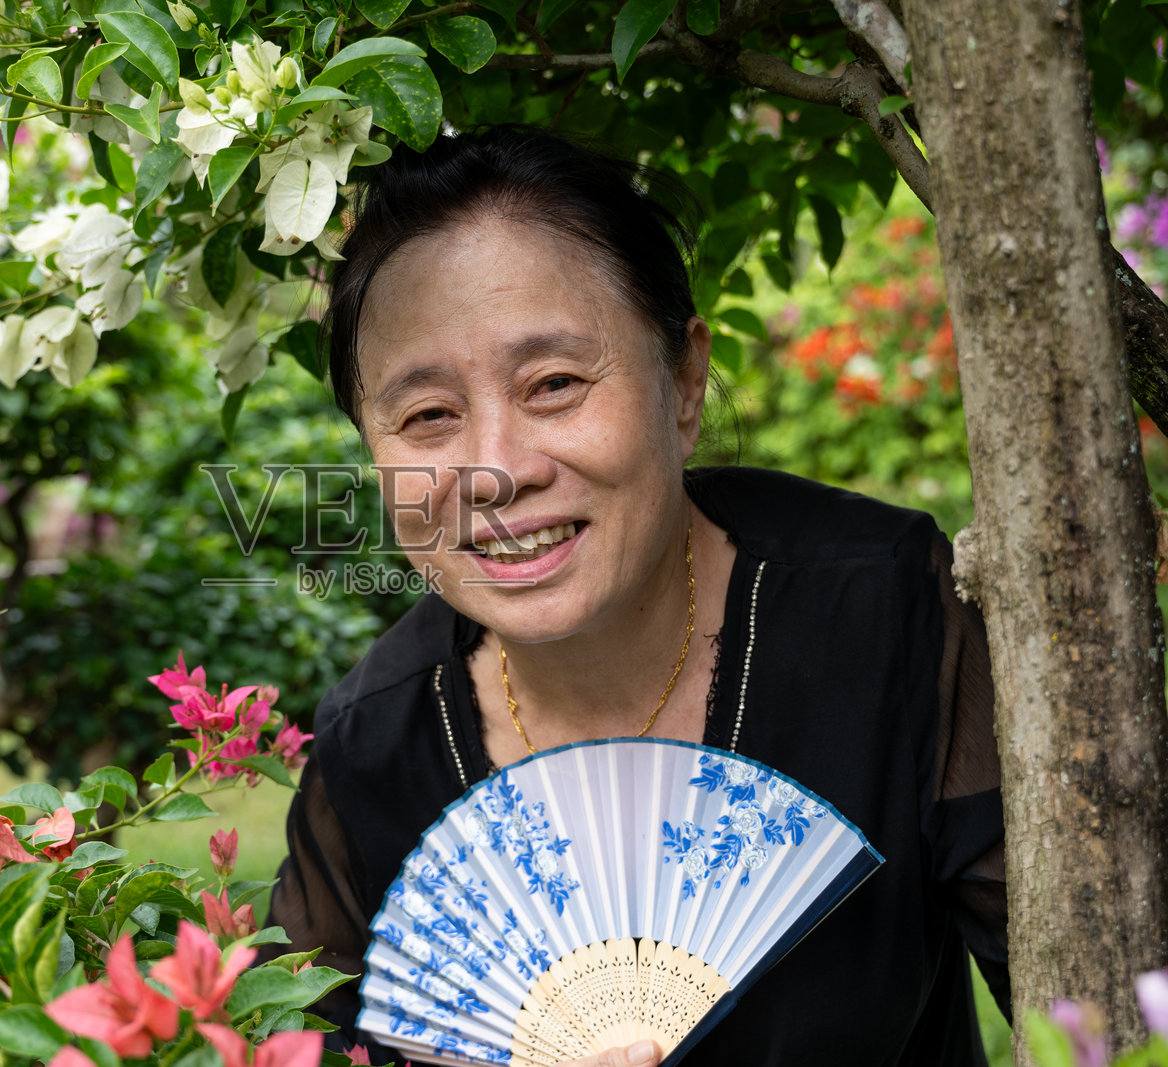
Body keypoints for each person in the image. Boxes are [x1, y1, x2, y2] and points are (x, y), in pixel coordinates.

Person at [264, 126, 1009, 1066]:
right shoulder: (374, 749)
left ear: (685, 379)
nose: (495, 471)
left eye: (556, 384)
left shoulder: (883, 611)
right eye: (427, 416)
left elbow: (1102, 1003)